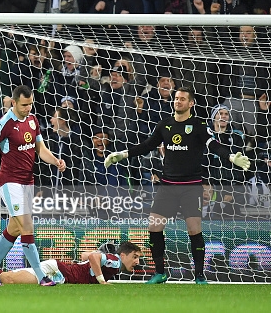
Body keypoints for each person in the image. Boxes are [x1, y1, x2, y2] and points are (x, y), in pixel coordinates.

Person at [104, 86, 252, 284]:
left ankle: (199, 276)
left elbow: (213, 145)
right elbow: (147, 145)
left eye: (182, 99)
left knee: (194, 230)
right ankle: (160, 273)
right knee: (154, 227)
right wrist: (122, 155)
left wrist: (232, 157)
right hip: (168, 186)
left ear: (191, 103)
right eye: (176, 98)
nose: (178, 101)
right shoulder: (165, 125)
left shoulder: (198, 125)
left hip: (191, 186)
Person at [0, 85, 66, 286]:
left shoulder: (33, 120)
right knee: (27, 228)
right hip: (10, 183)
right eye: (24, 105)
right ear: (14, 102)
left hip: (28, 182)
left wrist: (55, 161)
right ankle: (41, 277)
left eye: (30, 104)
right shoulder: (5, 124)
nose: (28, 108)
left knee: (15, 229)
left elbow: (40, 149)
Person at [0, 241, 142, 285]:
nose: (137, 261)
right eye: (135, 256)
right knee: (8, 279)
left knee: (8, 276)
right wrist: (101, 280)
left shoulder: (115, 267)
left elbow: (85, 255)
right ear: (123, 255)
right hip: (56, 273)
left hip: (60, 273)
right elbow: (93, 256)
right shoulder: (115, 262)